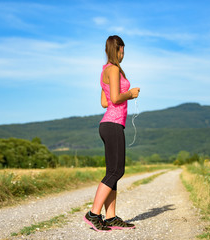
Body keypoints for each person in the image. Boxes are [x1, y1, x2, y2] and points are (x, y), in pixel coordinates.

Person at [83, 35, 140, 232]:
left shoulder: (104, 70)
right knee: (117, 171)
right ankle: (93, 214)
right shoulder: (114, 69)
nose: (123, 54)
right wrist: (130, 94)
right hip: (113, 124)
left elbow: (104, 101)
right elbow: (115, 98)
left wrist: (119, 95)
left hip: (108, 123)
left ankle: (111, 217)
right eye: (122, 51)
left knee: (112, 172)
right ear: (116, 50)